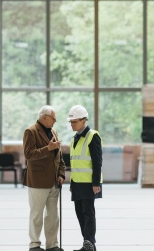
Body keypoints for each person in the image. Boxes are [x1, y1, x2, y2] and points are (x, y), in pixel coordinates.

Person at [23, 105, 66, 251]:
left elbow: (59, 155)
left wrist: (61, 174)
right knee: (37, 214)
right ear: (44, 117)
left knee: (53, 216)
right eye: (53, 118)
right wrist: (48, 148)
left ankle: (52, 245)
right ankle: (34, 244)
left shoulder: (53, 131)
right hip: (38, 182)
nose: (55, 121)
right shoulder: (31, 131)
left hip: (54, 181)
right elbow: (29, 154)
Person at [66, 105, 102, 251]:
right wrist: (72, 183)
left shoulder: (93, 136)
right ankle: (86, 242)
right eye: (71, 122)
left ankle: (90, 243)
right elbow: (75, 163)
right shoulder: (74, 138)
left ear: (83, 120)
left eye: (74, 121)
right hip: (77, 183)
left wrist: (96, 182)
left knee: (88, 213)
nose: (72, 124)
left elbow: (97, 161)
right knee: (80, 214)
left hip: (89, 183)